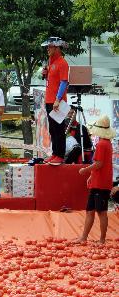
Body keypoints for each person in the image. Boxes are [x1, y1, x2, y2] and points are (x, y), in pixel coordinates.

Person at [77, 115, 114, 244]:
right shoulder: (105, 143)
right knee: (90, 210)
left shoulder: (102, 144)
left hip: (101, 184)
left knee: (101, 211)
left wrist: (85, 170)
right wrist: (92, 175)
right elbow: (101, 164)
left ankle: (102, 239)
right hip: (99, 182)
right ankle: (84, 238)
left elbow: (99, 164)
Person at [41, 37, 70, 165]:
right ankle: (54, 153)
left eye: (50, 47)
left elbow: (64, 82)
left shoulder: (62, 63)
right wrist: (45, 73)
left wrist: (58, 99)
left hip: (57, 102)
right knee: (52, 129)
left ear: (57, 48)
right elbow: (51, 81)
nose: (48, 49)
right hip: (49, 100)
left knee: (58, 128)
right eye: (47, 47)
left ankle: (60, 155)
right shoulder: (51, 62)